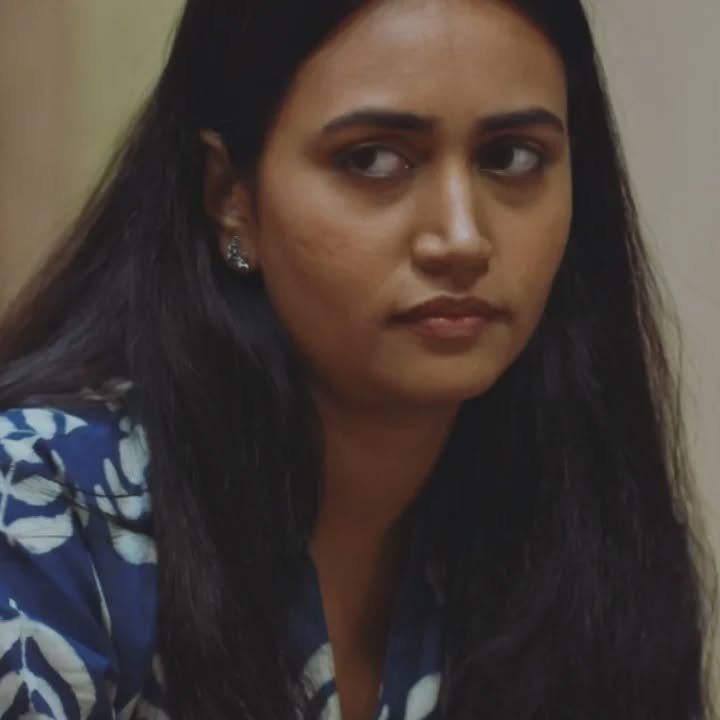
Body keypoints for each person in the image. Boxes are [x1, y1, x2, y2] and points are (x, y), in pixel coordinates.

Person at [0, 0, 716, 718]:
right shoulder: (43, 510)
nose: (462, 238)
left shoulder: (590, 532)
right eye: (373, 160)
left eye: (511, 158)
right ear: (230, 196)